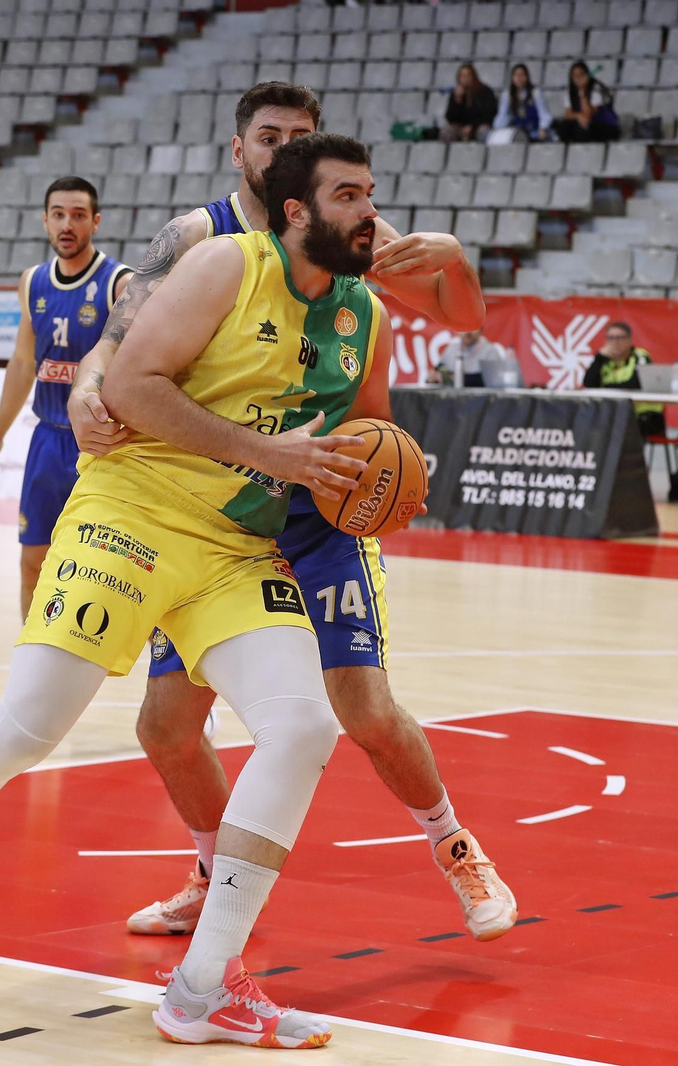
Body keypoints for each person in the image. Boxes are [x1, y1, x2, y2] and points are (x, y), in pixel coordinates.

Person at [0, 132, 400, 1050]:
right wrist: (271, 455)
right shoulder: (221, 270)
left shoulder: (364, 310)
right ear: (298, 212)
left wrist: (378, 477)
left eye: (371, 193)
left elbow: (370, 434)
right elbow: (127, 382)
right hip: (131, 510)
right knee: (26, 731)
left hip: (235, 547)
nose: (371, 211)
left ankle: (204, 988)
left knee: (304, 726)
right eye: (351, 195)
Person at [67, 83, 513, 945]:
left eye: (300, 139)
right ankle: (211, 873)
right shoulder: (202, 239)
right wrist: (89, 385)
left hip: (312, 511)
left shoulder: (353, 243)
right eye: (269, 138)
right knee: (163, 726)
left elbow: (455, 318)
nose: (282, 152)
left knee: (365, 710)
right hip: (218, 510)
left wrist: (452, 255)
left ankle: (457, 848)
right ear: (241, 152)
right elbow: (121, 339)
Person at [0, 177, 131, 618]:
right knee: (32, 562)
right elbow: (23, 364)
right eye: (58, 214)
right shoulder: (32, 282)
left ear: (95, 222)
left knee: (97, 571)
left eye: (78, 215)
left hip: (99, 448)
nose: (67, 224)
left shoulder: (119, 283)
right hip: (46, 441)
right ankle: (31, 659)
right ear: (44, 220)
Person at [582, 321, 663, 435]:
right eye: (610, 338)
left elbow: (636, 384)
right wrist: (598, 359)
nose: (615, 342)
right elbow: (589, 384)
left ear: (629, 340)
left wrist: (605, 388)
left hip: (643, 415)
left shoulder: (640, 356)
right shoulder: (603, 360)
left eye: (620, 338)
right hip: (612, 413)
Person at [552, 61, 618, 145]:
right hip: (583, 123)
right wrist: (578, 116)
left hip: (603, 125)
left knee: (583, 130)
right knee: (564, 128)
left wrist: (582, 91)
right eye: (575, 76)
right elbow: (568, 114)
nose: (578, 78)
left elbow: (588, 115)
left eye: (581, 75)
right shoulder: (570, 91)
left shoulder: (596, 88)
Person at [494, 63, 553, 142]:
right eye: (516, 75)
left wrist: (543, 127)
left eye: (522, 75)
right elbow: (503, 114)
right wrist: (497, 128)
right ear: (512, 78)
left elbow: (544, 114)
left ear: (527, 77)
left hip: (535, 130)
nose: (519, 78)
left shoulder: (535, 93)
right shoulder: (507, 95)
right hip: (517, 131)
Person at [440, 62, 497, 143]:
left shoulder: (485, 91)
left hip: (478, 126)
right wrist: (457, 101)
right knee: (446, 132)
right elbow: (450, 118)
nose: (465, 79)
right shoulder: (456, 93)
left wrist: (472, 126)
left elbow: (489, 114)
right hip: (461, 127)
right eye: (462, 76)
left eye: (468, 76)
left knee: (484, 132)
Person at [438, 328, 504, 387]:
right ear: (456, 330)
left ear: (481, 329)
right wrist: (435, 376)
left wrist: (453, 378)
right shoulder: (451, 349)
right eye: (463, 326)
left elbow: (492, 379)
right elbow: (439, 368)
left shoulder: (489, 351)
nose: (468, 331)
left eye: (473, 327)